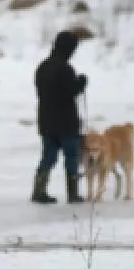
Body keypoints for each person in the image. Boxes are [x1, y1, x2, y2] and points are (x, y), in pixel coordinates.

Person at [32, 31, 88, 205]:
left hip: (46, 120)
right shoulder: (65, 69)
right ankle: (73, 193)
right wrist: (81, 83)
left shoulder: (42, 67)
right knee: (71, 156)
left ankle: (39, 190)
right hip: (66, 122)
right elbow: (69, 92)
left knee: (48, 156)